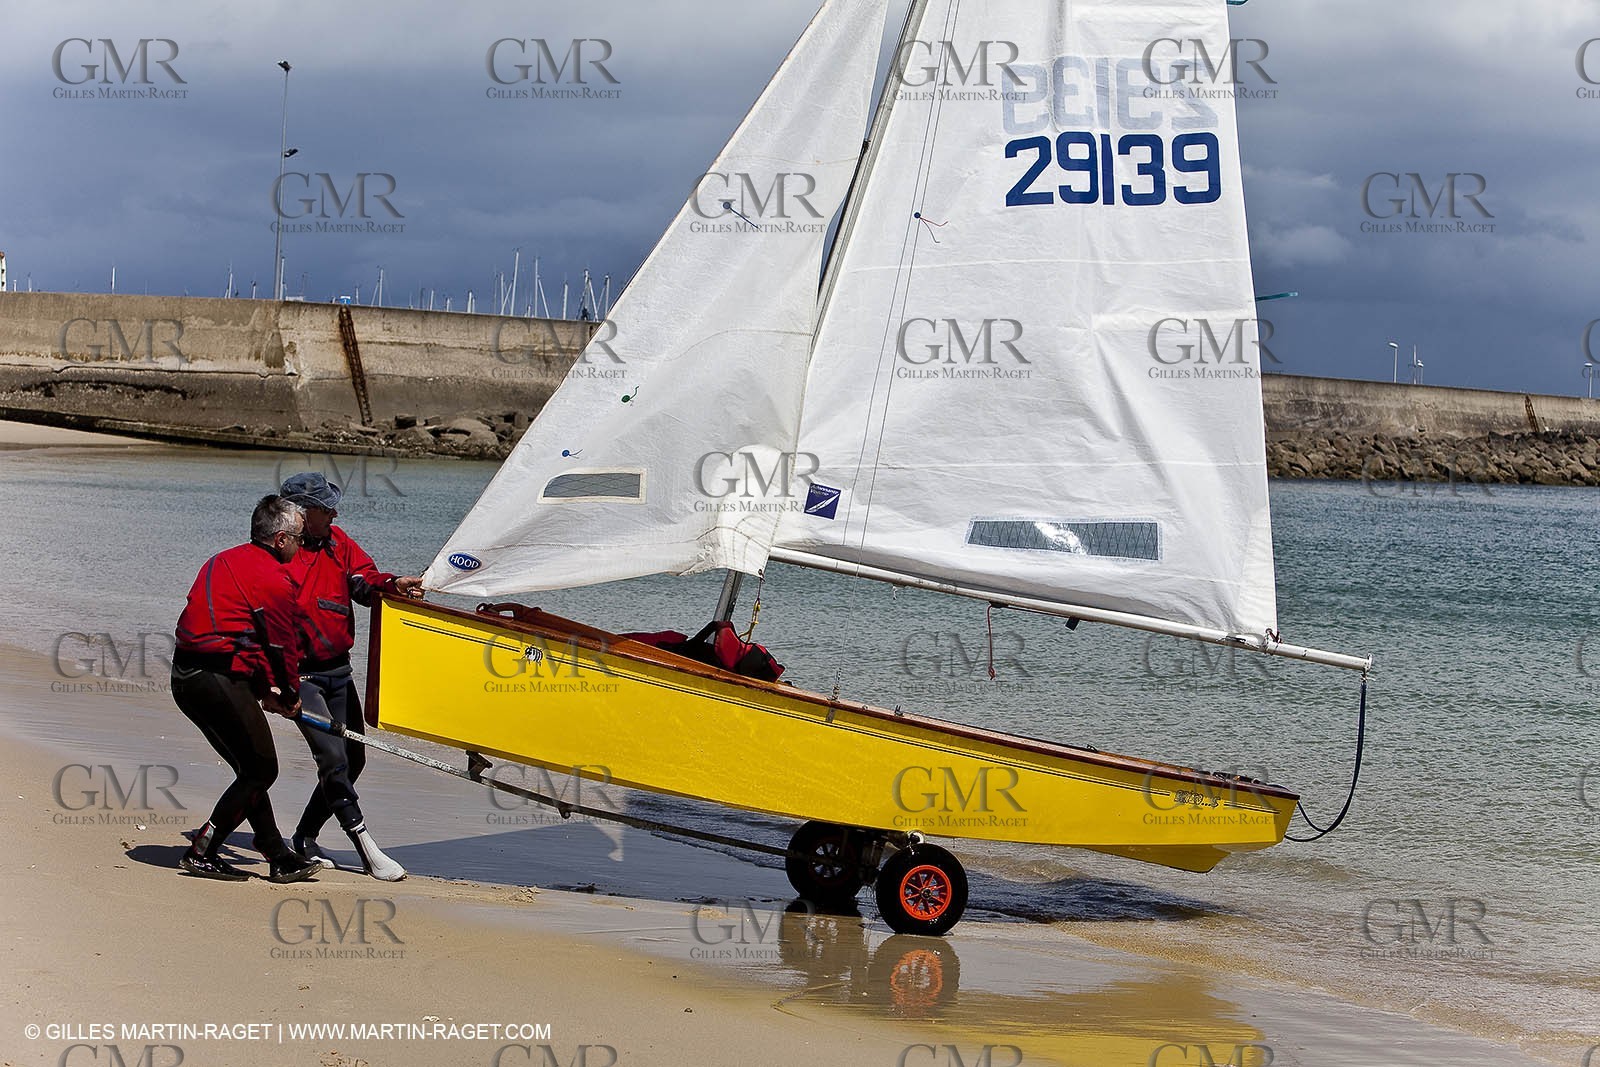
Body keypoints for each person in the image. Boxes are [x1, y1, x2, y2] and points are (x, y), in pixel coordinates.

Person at [279, 472, 423, 881]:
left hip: (338, 672)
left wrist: (393, 584)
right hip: (300, 676)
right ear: (303, 515)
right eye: (326, 508)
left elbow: (363, 582)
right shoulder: (279, 551)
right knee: (333, 758)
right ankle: (367, 848)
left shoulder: (339, 541)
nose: (334, 513)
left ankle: (305, 836)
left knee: (353, 758)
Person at [172, 495, 321, 883]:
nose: (303, 547)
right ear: (281, 540)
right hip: (213, 680)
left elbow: (234, 632)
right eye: (301, 540)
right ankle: (202, 849)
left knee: (249, 768)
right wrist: (289, 696)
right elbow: (280, 648)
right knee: (261, 769)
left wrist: (262, 691)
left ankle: (277, 854)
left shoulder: (222, 559)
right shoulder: (274, 579)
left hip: (187, 678)